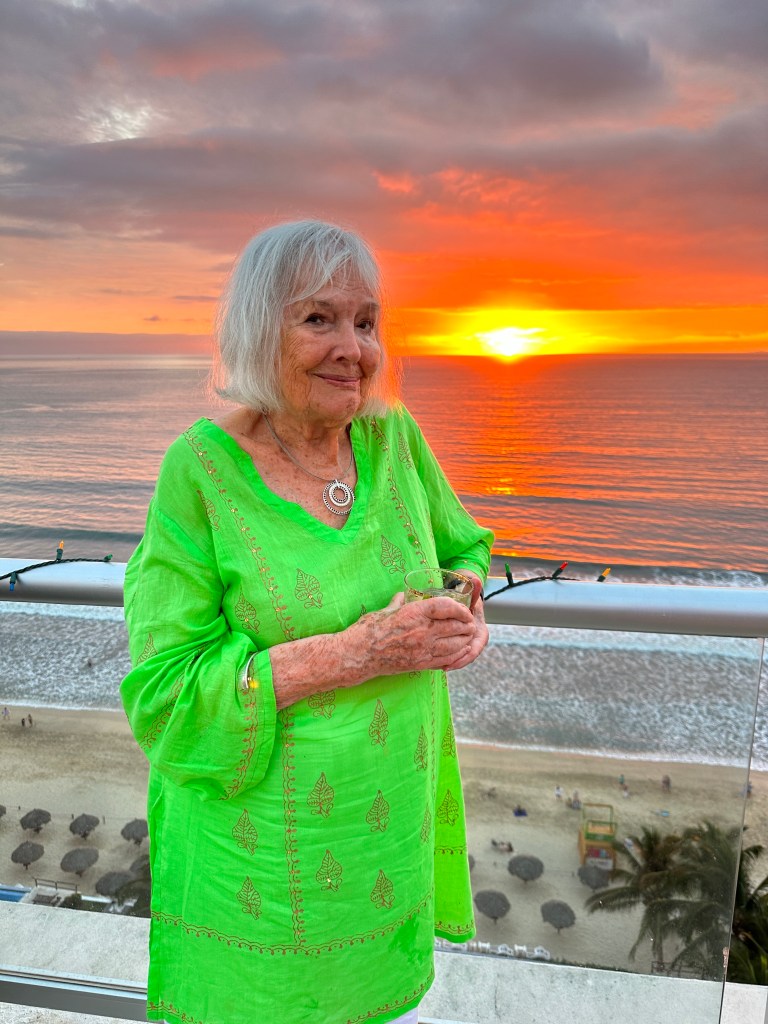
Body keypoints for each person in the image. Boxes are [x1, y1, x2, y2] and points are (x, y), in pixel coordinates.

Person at [120, 220, 493, 1024]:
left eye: (366, 322)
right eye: (318, 319)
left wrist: (464, 604)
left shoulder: (393, 439)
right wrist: (358, 653)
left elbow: (463, 544)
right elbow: (165, 693)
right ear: (261, 332)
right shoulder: (199, 471)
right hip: (256, 869)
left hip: (383, 845)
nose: (352, 349)